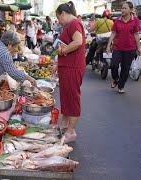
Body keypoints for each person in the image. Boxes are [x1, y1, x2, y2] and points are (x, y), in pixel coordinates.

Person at [56, 1, 86, 143]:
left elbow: (78, 41)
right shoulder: (69, 25)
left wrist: (63, 51)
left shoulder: (74, 23)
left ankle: (71, 131)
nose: (59, 21)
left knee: (72, 99)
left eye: (58, 18)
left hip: (72, 67)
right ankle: (65, 124)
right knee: (66, 97)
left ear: (63, 13)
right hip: (67, 67)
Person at [106, 1, 141, 94]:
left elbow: (136, 35)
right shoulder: (117, 20)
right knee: (113, 65)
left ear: (130, 10)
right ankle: (115, 79)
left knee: (125, 69)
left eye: (125, 8)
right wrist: (108, 46)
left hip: (130, 49)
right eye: (122, 8)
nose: (123, 10)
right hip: (117, 48)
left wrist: (139, 48)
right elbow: (113, 33)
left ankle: (121, 86)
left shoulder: (135, 21)